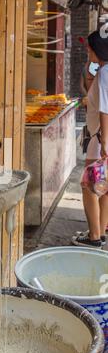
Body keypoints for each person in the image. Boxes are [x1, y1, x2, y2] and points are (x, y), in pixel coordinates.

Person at [72, 31, 108, 249]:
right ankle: (101, 232)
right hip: (103, 136)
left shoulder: (104, 73)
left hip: (100, 137)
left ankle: (94, 237)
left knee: (89, 185)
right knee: (104, 185)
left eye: (90, 47)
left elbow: (105, 109)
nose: (88, 50)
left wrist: (105, 141)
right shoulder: (102, 70)